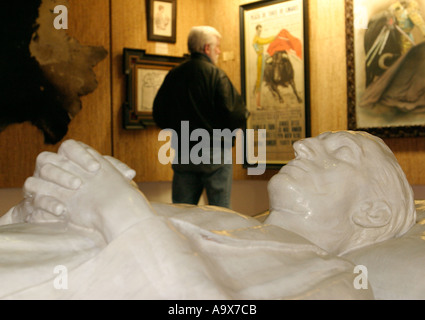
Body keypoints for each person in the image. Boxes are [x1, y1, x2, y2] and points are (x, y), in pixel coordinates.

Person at [1, 130, 423, 300]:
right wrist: (47, 204)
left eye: (340, 154)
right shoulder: (218, 217)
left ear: (373, 212)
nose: (303, 145)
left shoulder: (338, 281)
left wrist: (119, 212)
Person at [153, 26, 248, 209]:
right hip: (214, 152)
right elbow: (236, 114)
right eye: (217, 47)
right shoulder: (216, 75)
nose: (219, 51)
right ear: (206, 48)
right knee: (219, 214)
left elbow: (159, 114)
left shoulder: (174, 75)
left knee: (182, 213)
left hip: (184, 151)